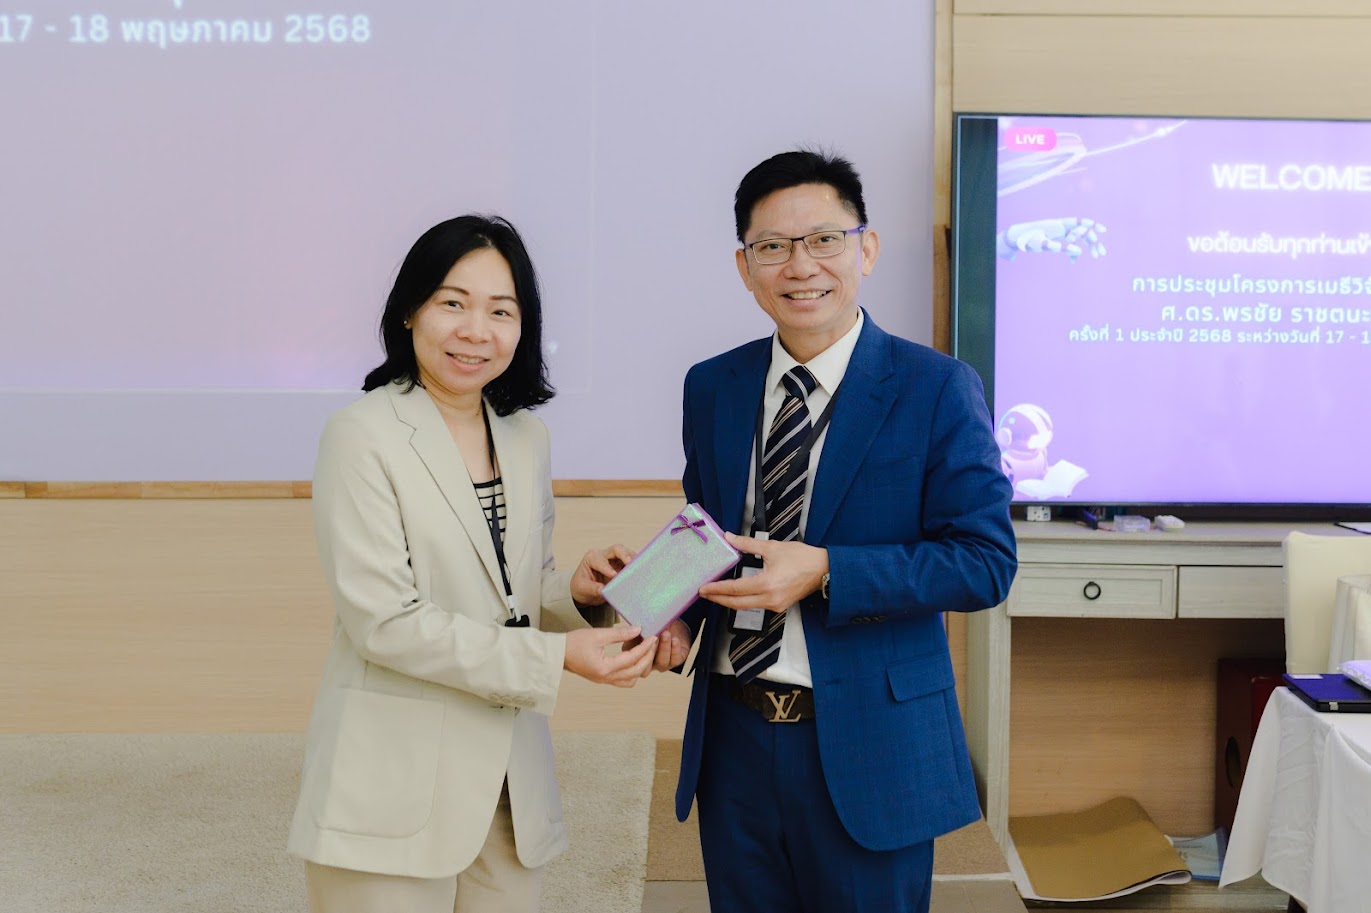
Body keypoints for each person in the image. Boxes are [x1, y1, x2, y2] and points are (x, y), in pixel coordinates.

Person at [652, 150, 1018, 913]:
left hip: (870, 739)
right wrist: (664, 610)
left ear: (866, 248)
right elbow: (709, 532)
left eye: (823, 239)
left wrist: (825, 570)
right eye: (772, 246)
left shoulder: (935, 387)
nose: (800, 265)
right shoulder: (712, 385)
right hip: (733, 733)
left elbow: (983, 562)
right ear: (744, 265)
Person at [286, 214, 658, 913]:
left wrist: (579, 594)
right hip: (393, 784)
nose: (475, 330)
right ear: (409, 310)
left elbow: (513, 594)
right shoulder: (361, 435)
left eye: (500, 311)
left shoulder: (524, 436)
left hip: (511, 786)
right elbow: (386, 623)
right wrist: (557, 659)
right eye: (452, 303)